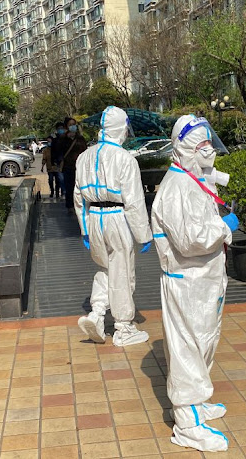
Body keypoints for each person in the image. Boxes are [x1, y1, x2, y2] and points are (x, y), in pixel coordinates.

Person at [151, 114, 237, 452]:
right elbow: (191, 240)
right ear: (186, 149)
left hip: (205, 279)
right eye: (203, 146)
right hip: (187, 280)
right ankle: (187, 422)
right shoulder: (177, 188)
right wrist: (225, 225)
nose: (210, 151)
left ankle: (197, 402)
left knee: (204, 341)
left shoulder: (191, 178)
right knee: (187, 347)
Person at [74, 106, 153, 347]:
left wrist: (85, 228)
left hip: (94, 217)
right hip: (116, 217)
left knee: (105, 268)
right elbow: (134, 201)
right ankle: (123, 327)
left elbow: (78, 197)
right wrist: (144, 233)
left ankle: (96, 313)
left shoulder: (84, 156)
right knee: (122, 272)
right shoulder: (125, 159)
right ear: (122, 128)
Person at [60, 117, 87, 214]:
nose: (73, 126)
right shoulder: (63, 139)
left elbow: (85, 150)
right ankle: (70, 206)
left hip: (80, 167)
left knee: (80, 186)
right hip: (68, 167)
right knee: (69, 187)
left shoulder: (80, 138)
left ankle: (81, 204)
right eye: (70, 124)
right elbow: (59, 152)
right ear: (66, 126)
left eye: (74, 124)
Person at [51, 122, 68, 198]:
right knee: (60, 179)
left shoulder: (68, 139)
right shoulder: (55, 141)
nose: (61, 130)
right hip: (59, 162)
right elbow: (53, 152)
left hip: (68, 162)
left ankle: (67, 192)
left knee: (68, 178)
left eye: (62, 128)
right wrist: (53, 162)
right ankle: (64, 192)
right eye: (59, 129)